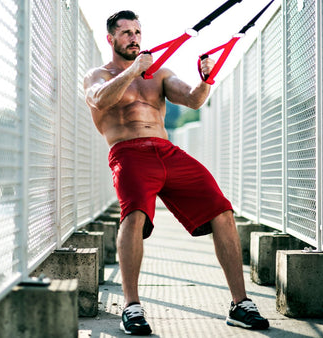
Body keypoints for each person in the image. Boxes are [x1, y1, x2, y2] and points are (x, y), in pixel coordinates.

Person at [83, 10, 269, 335]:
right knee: (134, 214)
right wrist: (132, 72)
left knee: (222, 210)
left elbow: (194, 100)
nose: (134, 38)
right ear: (110, 39)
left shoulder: (160, 73)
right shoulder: (98, 75)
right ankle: (132, 307)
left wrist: (206, 79)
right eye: (126, 33)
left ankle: (240, 304)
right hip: (129, 152)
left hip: (168, 152)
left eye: (137, 32)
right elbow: (99, 100)